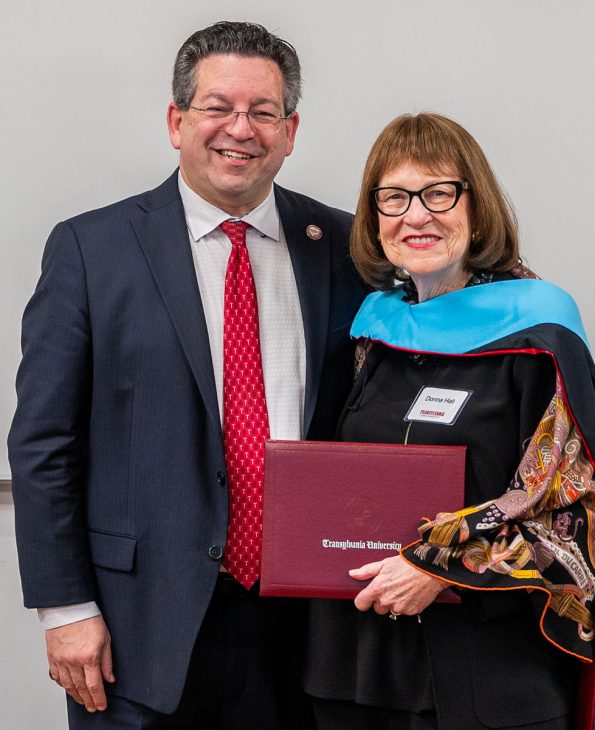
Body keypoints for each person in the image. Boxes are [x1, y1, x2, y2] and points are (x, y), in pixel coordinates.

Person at [8, 21, 368, 729]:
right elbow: (43, 443)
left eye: (263, 112)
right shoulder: (92, 249)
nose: (240, 128)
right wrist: (66, 608)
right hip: (137, 625)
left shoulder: (346, 249)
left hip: (305, 627)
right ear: (177, 122)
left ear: (290, 131)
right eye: (217, 107)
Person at [304, 112, 595, 729]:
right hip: (362, 666)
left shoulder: (536, 333)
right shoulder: (369, 333)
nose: (417, 215)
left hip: (489, 670)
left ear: (476, 205)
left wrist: (436, 564)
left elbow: (575, 510)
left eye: (439, 192)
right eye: (394, 197)